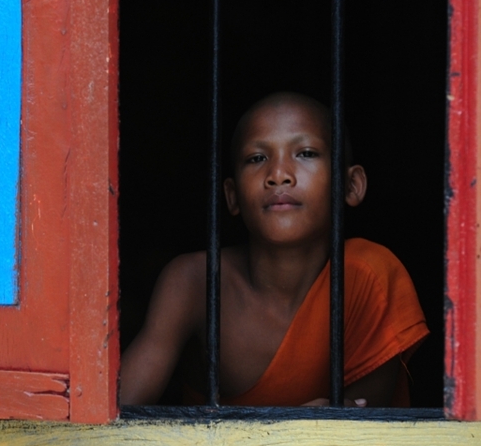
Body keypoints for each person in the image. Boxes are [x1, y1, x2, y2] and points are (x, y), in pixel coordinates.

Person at [120, 92, 428, 407]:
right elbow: (112, 412)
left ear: (351, 185)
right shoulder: (195, 283)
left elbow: (365, 428)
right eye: (257, 158)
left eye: (306, 153)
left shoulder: (368, 277)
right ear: (232, 195)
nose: (278, 174)